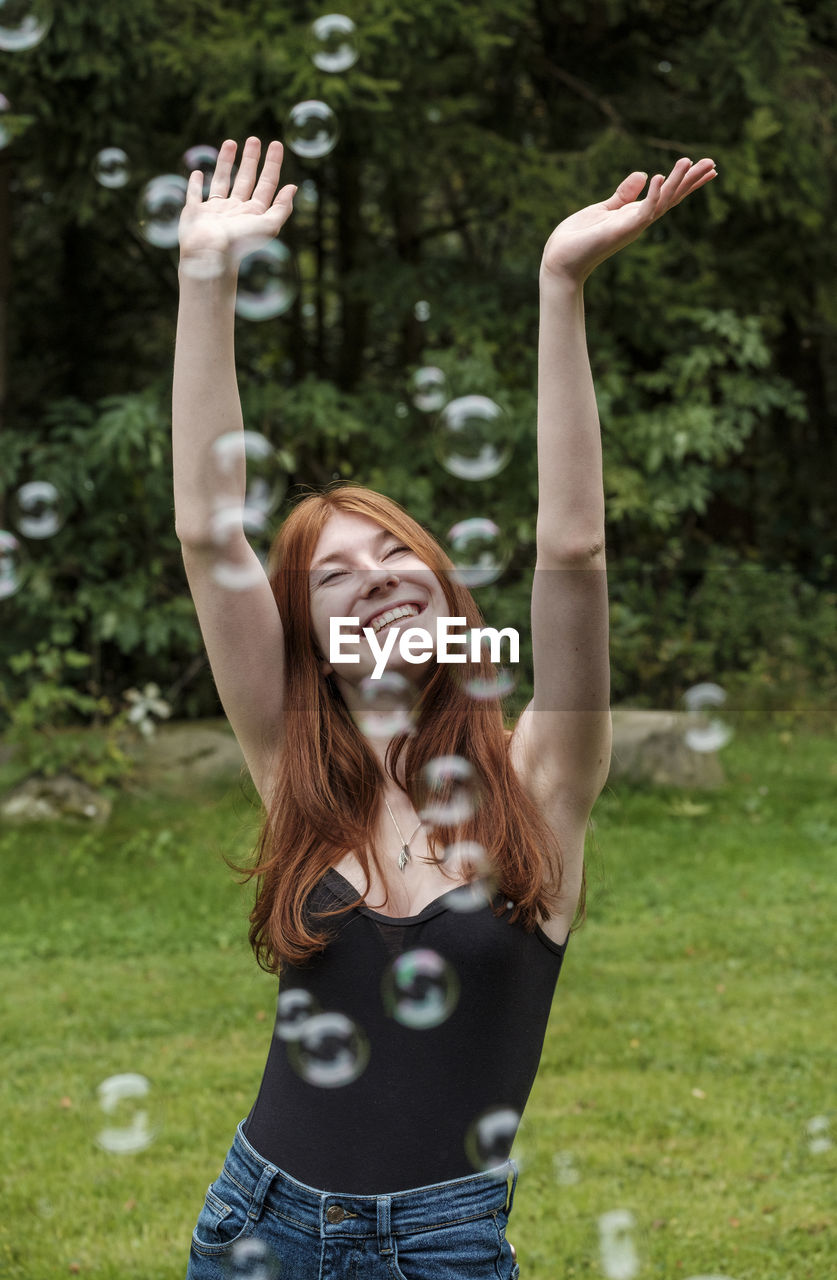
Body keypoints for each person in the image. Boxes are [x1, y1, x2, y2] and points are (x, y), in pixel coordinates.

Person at [173, 137, 717, 1280]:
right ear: (310, 641)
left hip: (442, 1246)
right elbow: (208, 531)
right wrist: (205, 279)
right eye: (333, 574)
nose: (372, 574)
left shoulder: (541, 782)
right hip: (256, 1224)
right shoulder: (295, 772)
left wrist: (559, 287)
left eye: (395, 553)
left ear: (446, 588)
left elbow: (573, 545)